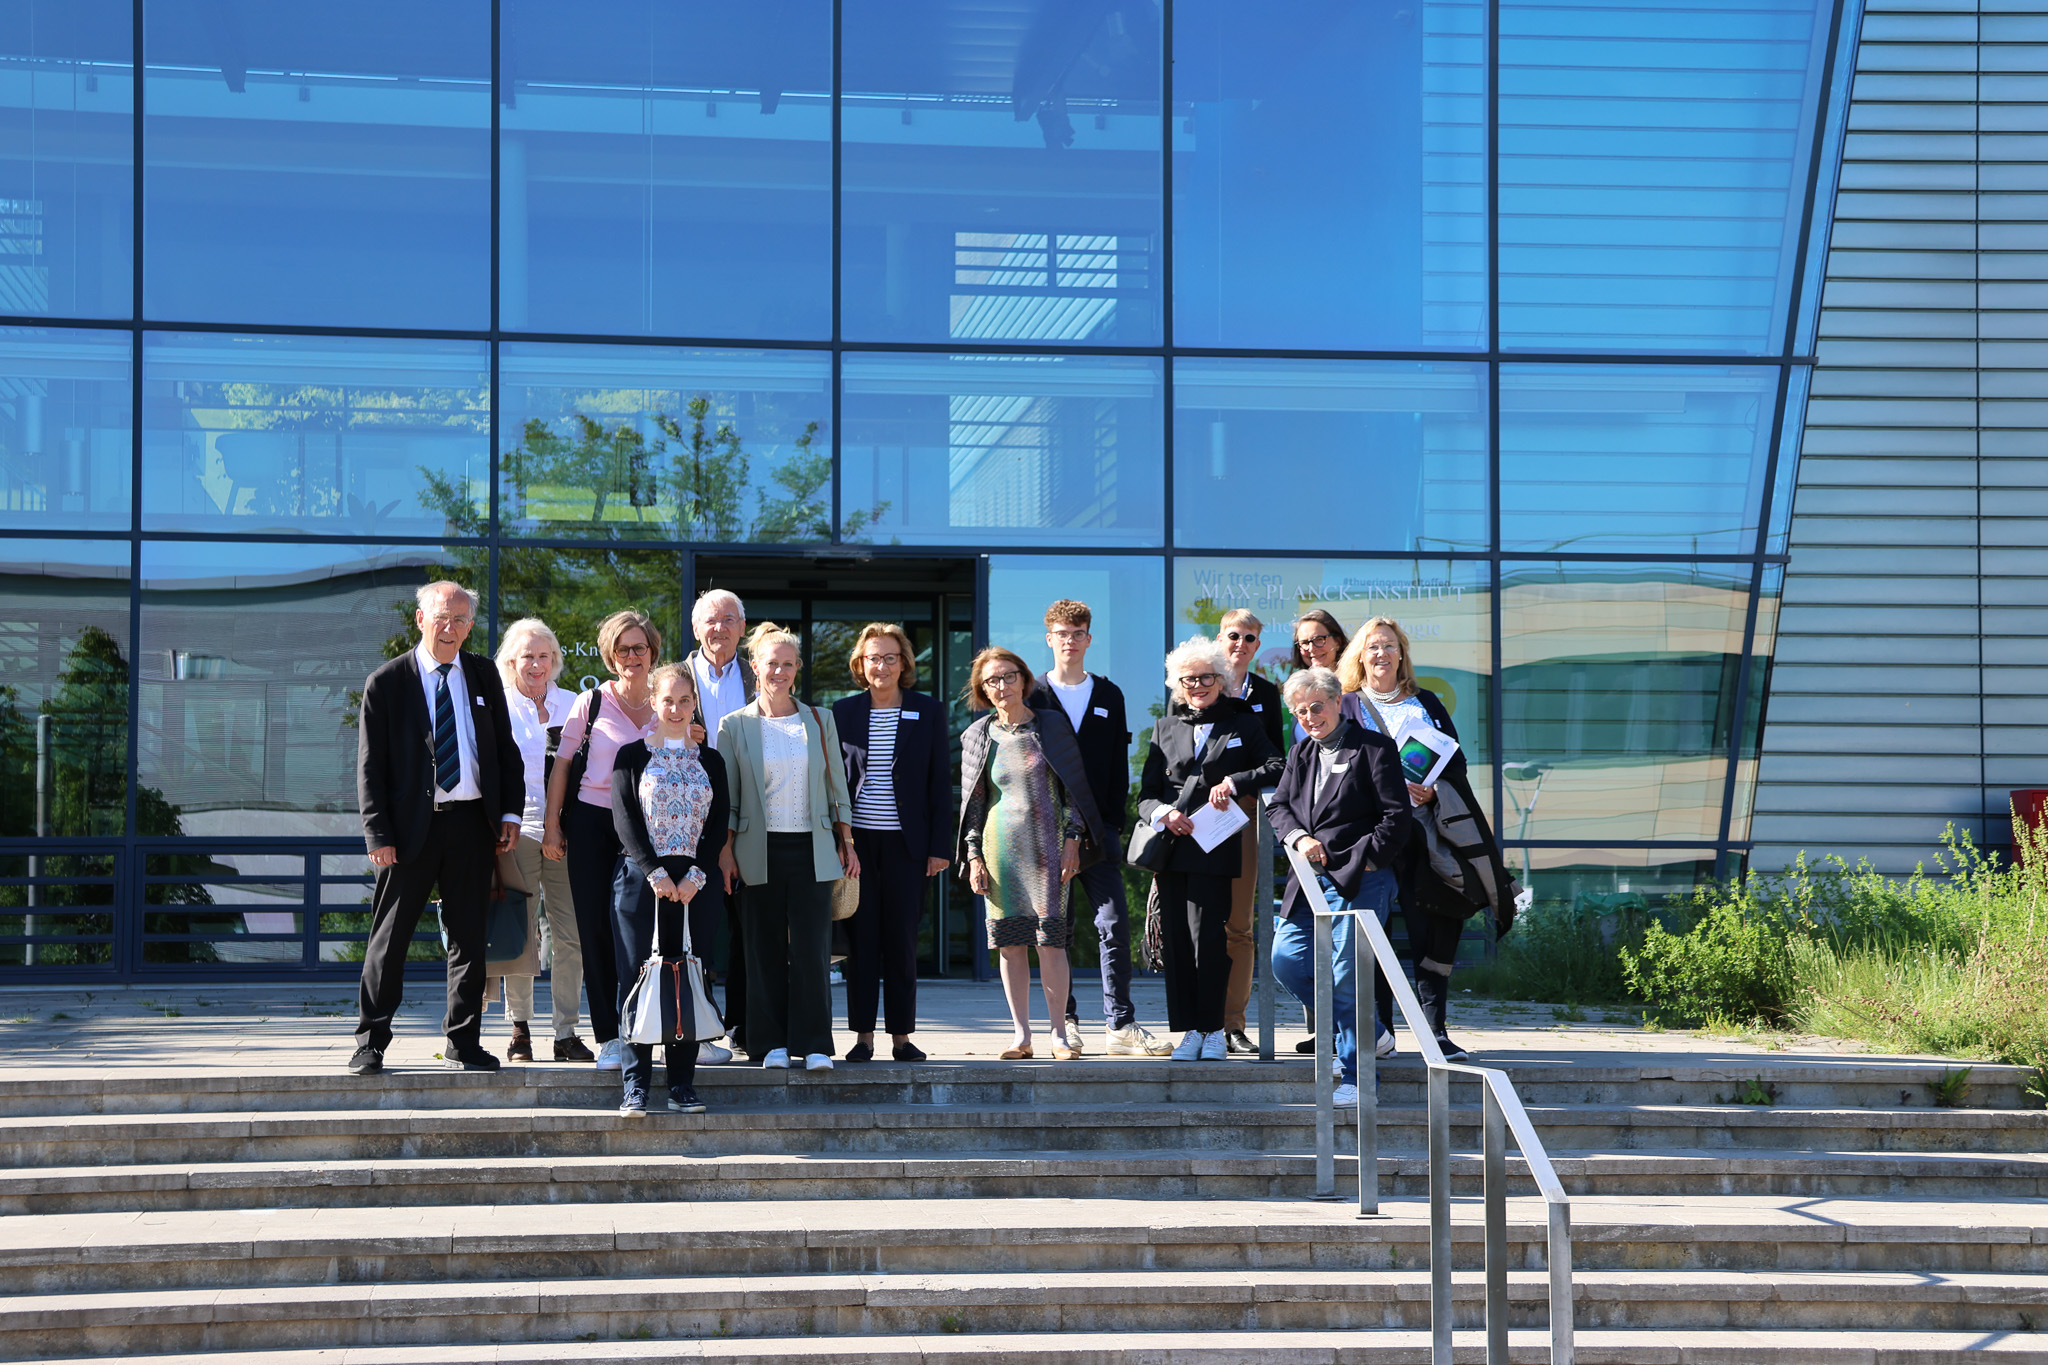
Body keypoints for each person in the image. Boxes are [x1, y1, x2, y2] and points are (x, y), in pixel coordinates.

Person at [350, 581, 523, 1076]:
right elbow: (370, 768)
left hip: (472, 824)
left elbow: (504, 750)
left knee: (469, 938)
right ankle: (371, 1040)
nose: (451, 629)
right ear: (420, 619)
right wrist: (377, 834)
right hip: (408, 832)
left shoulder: (484, 673)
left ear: (470, 626)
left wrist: (509, 812)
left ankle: (463, 1040)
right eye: (442, 618)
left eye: (462, 620)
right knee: (391, 938)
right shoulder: (386, 683)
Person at [1338, 615, 1515, 1060]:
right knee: (1370, 931)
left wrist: (1435, 788)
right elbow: (1335, 766)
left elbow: (1455, 761)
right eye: (1373, 646)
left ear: (1402, 653)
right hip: (1372, 834)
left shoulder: (1428, 702)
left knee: (1433, 926)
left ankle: (1434, 1030)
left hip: (1425, 832)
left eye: (1389, 645)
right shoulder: (1345, 704)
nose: (1381, 653)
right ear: (1360, 654)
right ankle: (1378, 1033)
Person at [1266, 667, 1413, 1106]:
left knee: (1347, 973)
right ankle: (1372, 1032)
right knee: (1286, 960)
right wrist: (1299, 838)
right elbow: (1277, 808)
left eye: (1317, 707)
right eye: (1301, 711)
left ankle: (1357, 1076)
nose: (1310, 717)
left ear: (1336, 703)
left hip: (1360, 880)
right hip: (1308, 883)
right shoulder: (1301, 753)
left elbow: (1397, 817)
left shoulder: (1374, 749)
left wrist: (1368, 861)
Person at [1028, 599, 1169, 1057]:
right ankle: (1064, 1022)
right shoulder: (1032, 694)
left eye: (1078, 633)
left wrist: (1111, 826)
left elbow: (1114, 770)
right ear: (1049, 639)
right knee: (1057, 929)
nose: (1070, 641)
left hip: (1098, 831)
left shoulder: (1109, 695)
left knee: (1113, 924)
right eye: (1061, 634)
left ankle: (1120, 1024)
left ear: (1089, 639)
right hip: (1046, 833)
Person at [956, 647, 1110, 1061]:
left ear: (1024, 680)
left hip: (1048, 848)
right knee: (1010, 944)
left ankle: (1059, 1034)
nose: (1002, 686)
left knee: (1050, 943)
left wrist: (1074, 841)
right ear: (982, 690)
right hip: (998, 849)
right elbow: (973, 804)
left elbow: (1073, 791)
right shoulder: (976, 736)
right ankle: (1020, 1036)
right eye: (992, 680)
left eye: (1009, 676)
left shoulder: (1052, 727)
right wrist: (973, 857)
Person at [1136, 635, 1283, 1061]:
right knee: (1178, 943)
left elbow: (1277, 764)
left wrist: (1235, 783)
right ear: (1176, 685)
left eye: (1205, 678)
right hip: (1174, 843)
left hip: (1217, 843)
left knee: (1210, 941)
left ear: (1220, 679)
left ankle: (1215, 1029)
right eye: (1188, 680)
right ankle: (1189, 1032)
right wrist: (1164, 813)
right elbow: (1145, 795)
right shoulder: (1164, 728)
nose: (1197, 686)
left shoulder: (1242, 722)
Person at [717, 622, 857, 1072]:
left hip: (813, 847)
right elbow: (728, 796)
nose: (779, 671)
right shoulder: (733, 725)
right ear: (754, 666)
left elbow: (837, 785)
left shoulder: (820, 718)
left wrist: (847, 841)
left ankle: (815, 1042)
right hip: (757, 849)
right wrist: (725, 851)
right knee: (763, 949)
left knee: (815, 950)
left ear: (797, 668)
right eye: (770, 663)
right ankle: (770, 1043)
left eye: (787, 664)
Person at [541, 610, 660, 1073]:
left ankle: (651, 1027)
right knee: (594, 929)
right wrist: (554, 825)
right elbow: (563, 767)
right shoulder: (589, 703)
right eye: (623, 649)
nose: (633, 656)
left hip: (651, 826)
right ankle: (610, 1036)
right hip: (593, 822)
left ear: (652, 653)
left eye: (640, 648)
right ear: (611, 656)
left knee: (644, 933)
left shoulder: (668, 699)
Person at [609, 663, 729, 1115]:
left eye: (684, 700)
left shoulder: (711, 760)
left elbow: (719, 824)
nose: (676, 709)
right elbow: (624, 819)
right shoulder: (630, 756)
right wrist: (655, 873)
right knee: (636, 979)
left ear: (694, 702)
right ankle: (635, 1085)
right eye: (667, 700)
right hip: (642, 882)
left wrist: (695, 876)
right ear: (653, 703)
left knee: (688, 976)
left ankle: (681, 1083)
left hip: (696, 885)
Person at [833, 623, 950, 1063]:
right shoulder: (842, 712)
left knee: (901, 942)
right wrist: (839, 842)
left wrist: (940, 847)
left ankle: (902, 1037)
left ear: (904, 664)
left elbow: (941, 783)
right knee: (860, 943)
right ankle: (863, 1037)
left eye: (889, 657)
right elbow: (833, 782)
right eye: (872, 658)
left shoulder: (929, 710)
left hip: (908, 847)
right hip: (856, 847)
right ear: (860, 665)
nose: (880, 665)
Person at [488, 618, 592, 1063]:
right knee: (521, 932)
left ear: (554, 661)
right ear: (511, 661)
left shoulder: (576, 705)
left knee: (571, 935)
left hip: (568, 835)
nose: (535, 663)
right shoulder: (497, 706)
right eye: (527, 655)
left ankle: (566, 1031)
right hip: (516, 832)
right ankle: (520, 1028)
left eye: (543, 655)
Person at [684, 588, 754, 1060]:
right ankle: (703, 1024)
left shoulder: (762, 674)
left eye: (729, 619)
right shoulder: (674, 678)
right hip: (691, 821)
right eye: (711, 619)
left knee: (749, 927)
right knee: (700, 929)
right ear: (696, 628)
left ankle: (746, 1026)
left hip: (752, 818)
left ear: (742, 628)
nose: (720, 627)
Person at [1217, 608, 1284, 1054]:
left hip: (1244, 812)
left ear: (1258, 645)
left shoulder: (1265, 692)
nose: (1240, 644)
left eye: (1249, 638)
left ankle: (1233, 1024)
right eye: (1232, 635)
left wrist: (1238, 783)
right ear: (1219, 638)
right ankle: (1197, 1023)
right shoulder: (1198, 680)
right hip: (1198, 815)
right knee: (1199, 927)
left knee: (1239, 924)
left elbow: (1276, 760)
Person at [1288, 610, 1368, 742]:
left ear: (1338, 641)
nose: (1312, 649)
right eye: (1304, 643)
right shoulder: (1299, 690)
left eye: (1319, 639)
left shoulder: (1359, 689)